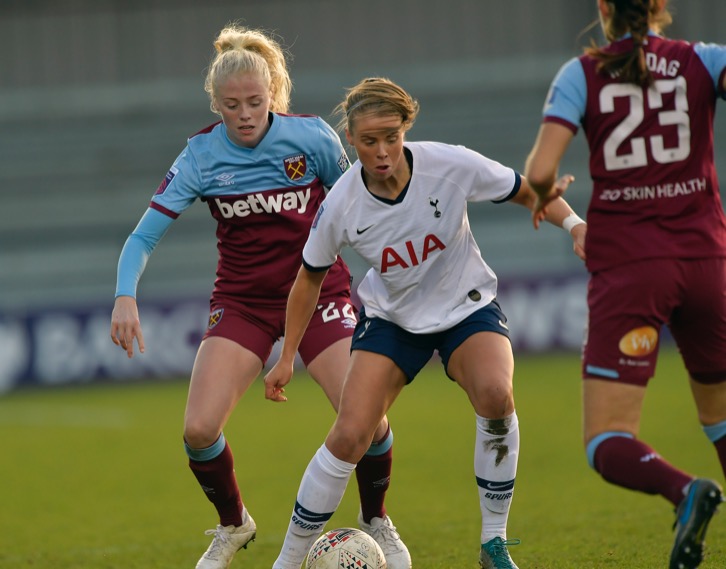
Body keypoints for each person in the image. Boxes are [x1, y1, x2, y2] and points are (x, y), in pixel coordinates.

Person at [109, 25, 411, 569]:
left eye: (254, 101)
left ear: (272, 93)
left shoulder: (314, 139)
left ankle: (376, 519)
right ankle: (233, 526)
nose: (245, 114)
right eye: (231, 105)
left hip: (319, 293)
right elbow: (142, 236)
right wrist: (124, 296)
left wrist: (395, 279)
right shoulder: (200, 156)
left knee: (365, 416)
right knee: (199, 430)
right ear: (216, 105)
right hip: (244, 303)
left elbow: (357, 215)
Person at [263, 76, 586, 569]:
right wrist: (287, 356)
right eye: (369, 140)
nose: (383, 150)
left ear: (406, 128)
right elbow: (308, 278)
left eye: (391, 136)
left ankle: (493, 544)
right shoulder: (342, 203)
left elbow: (526, 190)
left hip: (467, 307)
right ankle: (286, 562)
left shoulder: (449, 164)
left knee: (497, 396)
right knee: (351, 435)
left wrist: (575, 224)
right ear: (351, 139)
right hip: (393, 320)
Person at [524, 1, 726, 568]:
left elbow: (540, 172)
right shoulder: (704, 61)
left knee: (606, 439)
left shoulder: (581, 73)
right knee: (719, 414)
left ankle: (686, 491)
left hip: (631, 267)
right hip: (707, 259)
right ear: (662, 6)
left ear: (604, 8)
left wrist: (545, 194)